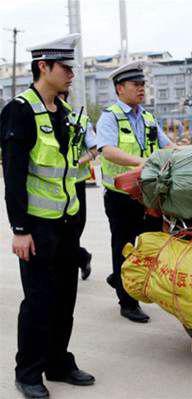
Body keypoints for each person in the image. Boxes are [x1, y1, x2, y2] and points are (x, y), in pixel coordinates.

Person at [0, 33, 95, 399]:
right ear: (44, 67)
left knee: (64, 300)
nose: (71, 74)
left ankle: (58, 362)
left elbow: (69, 169)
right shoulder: (19, 110)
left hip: (67, 224)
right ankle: (28, 372)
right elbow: (14, 175)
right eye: (65, 68)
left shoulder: (68, 114)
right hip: (37, 227)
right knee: (39, 302)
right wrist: (20, 228)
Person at [96, 60, 173, 323]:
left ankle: (118, 277)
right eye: (136, 85)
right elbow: (106, 149)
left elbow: (166, 145)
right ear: (120, 88)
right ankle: (127, 302)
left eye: (143, 84)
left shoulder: (148, 117)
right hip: (121, 196)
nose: (142, 89)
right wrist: (142, 162)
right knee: (124, 246)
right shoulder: (110, 116)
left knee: (149, 244)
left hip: (148, 194)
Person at [57, 90, 96, 280]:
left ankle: (80, 258)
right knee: (59, 233)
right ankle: (80, 258)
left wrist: (78, 161)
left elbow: (95, 150)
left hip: (77, 183)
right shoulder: (39, 118)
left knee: (75, 228)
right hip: (52, 185)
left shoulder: (80, 120)